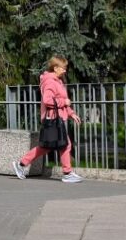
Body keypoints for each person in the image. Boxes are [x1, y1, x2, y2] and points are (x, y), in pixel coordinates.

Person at [13, 55, 84, 183]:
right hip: (53, 119)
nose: (65, 70)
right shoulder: (50, 81)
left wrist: (71, 113)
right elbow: (48, 100)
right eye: (63, 68)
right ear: (55, 68)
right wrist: (64, 102)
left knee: (47, 146)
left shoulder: (58, 81)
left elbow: (62, 102)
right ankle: (67, 173)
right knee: (64, 145)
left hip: (57, 117)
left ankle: (21, 164)